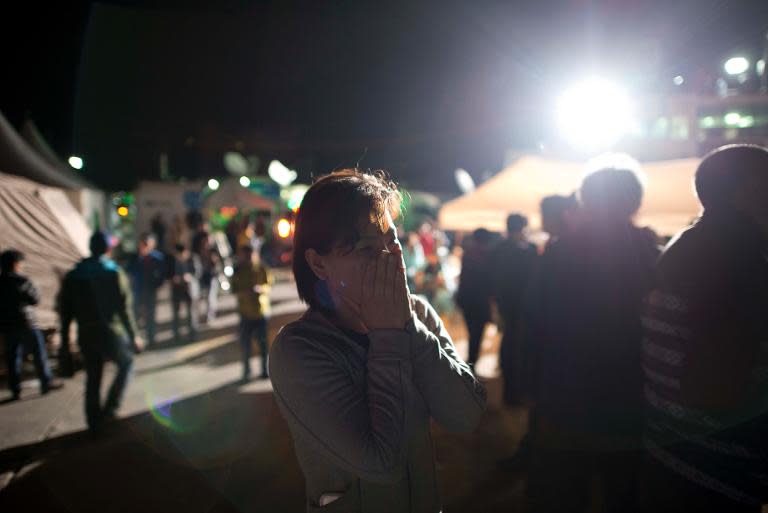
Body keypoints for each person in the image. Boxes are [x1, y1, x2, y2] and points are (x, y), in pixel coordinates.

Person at [269, 169, 486, 512]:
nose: (393, 257)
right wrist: (388, 335)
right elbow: (382, 466)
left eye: (392, 240)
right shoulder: (299, 351)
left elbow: (465, 416)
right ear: (318, 263)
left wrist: (407, 327)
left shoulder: (418, 316)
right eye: (368, 248)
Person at [638, 145, 768, 513]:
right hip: (719, 468)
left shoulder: (690, 244)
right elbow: (715, 388)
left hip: (672, 449)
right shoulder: (737, 261)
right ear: (744, 191)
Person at [526, 164, 659, 513]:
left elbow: (532, 326)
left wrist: (530, 386)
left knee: (566, 494)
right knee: (623, 493)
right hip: (631, 400)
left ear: (585, 201)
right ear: (635, 202)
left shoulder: (559, 253)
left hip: (564, 396)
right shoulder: (651, 254)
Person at [59, 231, 143, 432]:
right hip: (112, 332)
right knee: (127, 363)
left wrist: (64, 342)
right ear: (108, 249)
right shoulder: (113, 273)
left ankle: (93, 420)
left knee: (93, 375)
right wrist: (134, 335)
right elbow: (124, 309)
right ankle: (110, 409)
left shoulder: (73, 276)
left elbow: (65, 313)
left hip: (86, 333)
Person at [0, 250, 62, 400]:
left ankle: (15, 390)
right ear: (15, 264)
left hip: (7, 326)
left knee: (13, 358)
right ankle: (45, 382)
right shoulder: (22, 281)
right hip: (27, 322)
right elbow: (34, 299)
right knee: (38, 354)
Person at [492, 214, 537, 406]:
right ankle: (514, 393)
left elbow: (493, 279)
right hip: (522, 306)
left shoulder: (498, 249)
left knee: (508, 342)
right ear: (522, 229)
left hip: (505, 303)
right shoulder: (527, 251)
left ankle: (509, 390)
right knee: (517, 346)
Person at [231, 245, 272, 381]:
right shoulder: (238, 271)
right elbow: (234, 290)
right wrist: (245, 293)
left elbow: (269, 284)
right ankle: (247, 370)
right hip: (245, 312)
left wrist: (261, 289)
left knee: (263, 343)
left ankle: (264, 370)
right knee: (246, 344)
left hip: (261, 311)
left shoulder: (261, 268)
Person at [455, 228, 495, 367]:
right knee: (477, 334)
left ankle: (471, 362)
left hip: (467, 300)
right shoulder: (490, 256)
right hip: (482, 302)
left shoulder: (468, 254)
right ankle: (472, 362)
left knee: (472, 332)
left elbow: (463, 279)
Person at [128, 233, 165, 346]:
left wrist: (157, 284)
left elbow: (162, 274)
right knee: (136, 315)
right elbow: (129, 271)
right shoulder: (135, 257)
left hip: (150, 290)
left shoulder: (157, 258)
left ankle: (151, 337)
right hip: (137, 290)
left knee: (150, 314)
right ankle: (137, 338)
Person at [170, 243, 200, 343]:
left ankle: (193, 334)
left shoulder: (193, 258)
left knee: (191, 313)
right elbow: (168, 273)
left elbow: (197, 272)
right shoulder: (173, 260)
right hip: (177, 290)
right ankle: (176, 335)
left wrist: (189, 277)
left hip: (190, 290)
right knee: (176, 313)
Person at [192, 230, 221, 323]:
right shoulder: (197, 252)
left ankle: (210, 316)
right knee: (198, 297)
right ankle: (197, 317)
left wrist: (214, 261)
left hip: (212, 276)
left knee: (210, 297)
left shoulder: (214, 251)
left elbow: (218, 264)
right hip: (201, 277)